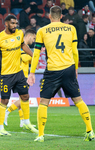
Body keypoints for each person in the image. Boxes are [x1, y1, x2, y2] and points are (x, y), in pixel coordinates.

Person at [27, 5, 95, 142]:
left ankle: (40, 135)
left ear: (49, 16)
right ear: (62, 16)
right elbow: (75, 51)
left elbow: (36, 53)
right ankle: (90, 131)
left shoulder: (43, 30)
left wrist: (32, 72)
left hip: (53, 70)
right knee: (78, 100)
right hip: (69, 68)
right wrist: (76, 68)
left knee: (44, 103)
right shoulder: (71, 29)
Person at [4, 29, 36, 128]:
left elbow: (30, 61)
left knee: (22, 99)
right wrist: (34, 56)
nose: (34, 40)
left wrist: (33, 59)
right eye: (34, 38)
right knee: (24, 99)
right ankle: (7, 111)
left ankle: (22, 121)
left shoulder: (26, 48)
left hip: (24, 75)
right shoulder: (21, 47)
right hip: (21, 76)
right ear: (29, 36)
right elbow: (24, 58)